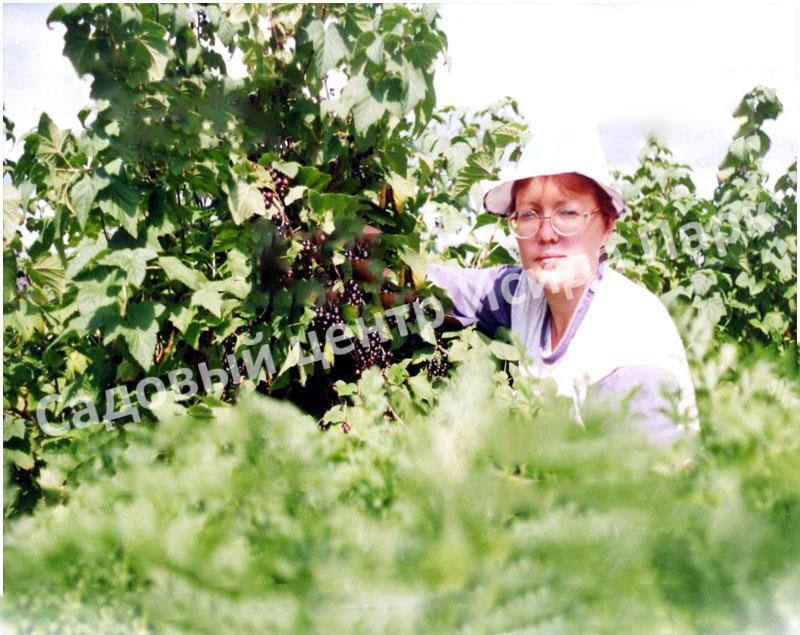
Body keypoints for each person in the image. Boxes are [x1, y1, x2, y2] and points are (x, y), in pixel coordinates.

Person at [361, 119, 699, 445]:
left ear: (607, 225)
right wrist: (342, 241)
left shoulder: (628, 346)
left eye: (567, 213)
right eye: (528, 214)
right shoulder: (523, 296)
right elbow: (425, 285)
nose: (546, 233)